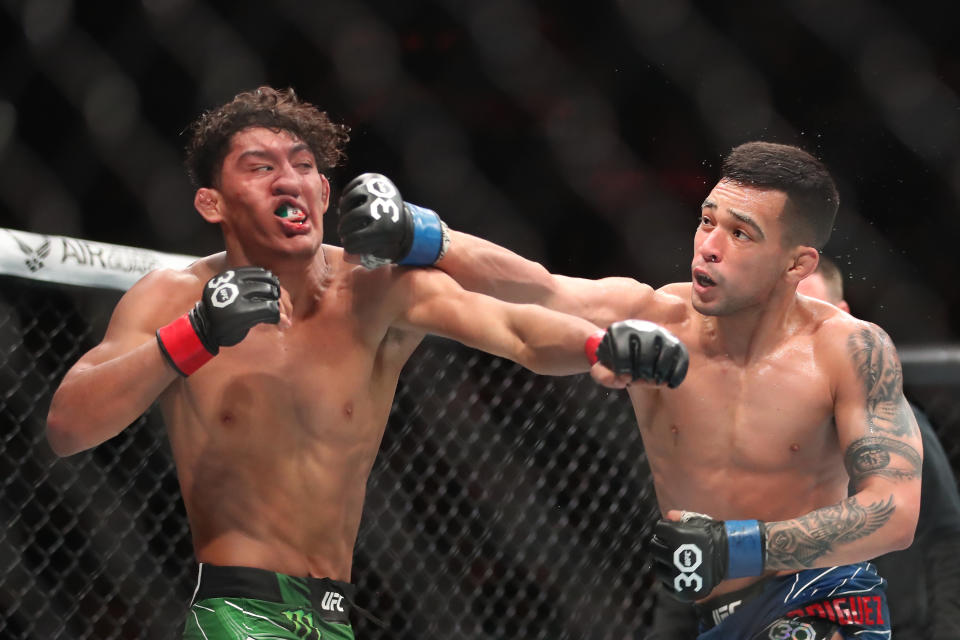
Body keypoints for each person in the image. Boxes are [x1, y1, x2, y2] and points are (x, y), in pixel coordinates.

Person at [44, 86, 686, 640]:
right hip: (238, 614)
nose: (288, 180)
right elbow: (69, 427)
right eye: (259, 167)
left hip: (336, 616)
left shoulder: (376, 290)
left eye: (301, 166)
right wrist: (197, 336)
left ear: (324, 191)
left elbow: (513, 327)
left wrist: (597, 345)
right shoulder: (174, 298)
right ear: (214, 203)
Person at [337, 141, 924, 639]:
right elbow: (539, 289)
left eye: (742, 234)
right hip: (703, 608)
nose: (709, 245)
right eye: (707, 219)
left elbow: (894, 511)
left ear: (797, 265)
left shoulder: (849, 349)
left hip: (819, 596)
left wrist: (744, 546)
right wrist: (419, 232)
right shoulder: (657, 318)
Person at [642, 256, 960, 639]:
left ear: (844, 319)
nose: (793, 332)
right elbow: (693, 557)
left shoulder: (888, 426)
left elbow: (945, 539)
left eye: (809, 315)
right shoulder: (723, 437)